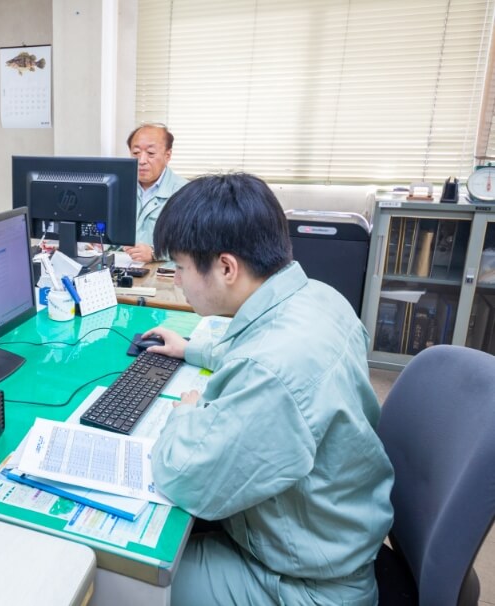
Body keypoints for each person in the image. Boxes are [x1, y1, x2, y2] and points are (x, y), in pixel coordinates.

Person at [142, 173, 394, 605]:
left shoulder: (271, 371)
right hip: (331, 538)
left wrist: (188, 410)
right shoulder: (317, 298)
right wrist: (194, 349)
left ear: (225, 268)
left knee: (127, 579)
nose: (178, 281)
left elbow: (183, 476)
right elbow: (263, 350)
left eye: (180, 268)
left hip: (301, 587)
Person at [122, 123, 188, 263]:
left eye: (151, 153)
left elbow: (194, 245)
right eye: (136, 153)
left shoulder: (185, 193)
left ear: (167, 155)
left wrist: (155, 252)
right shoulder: (120, 187)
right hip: (123, 269)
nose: (142, 161)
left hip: (163, 276)